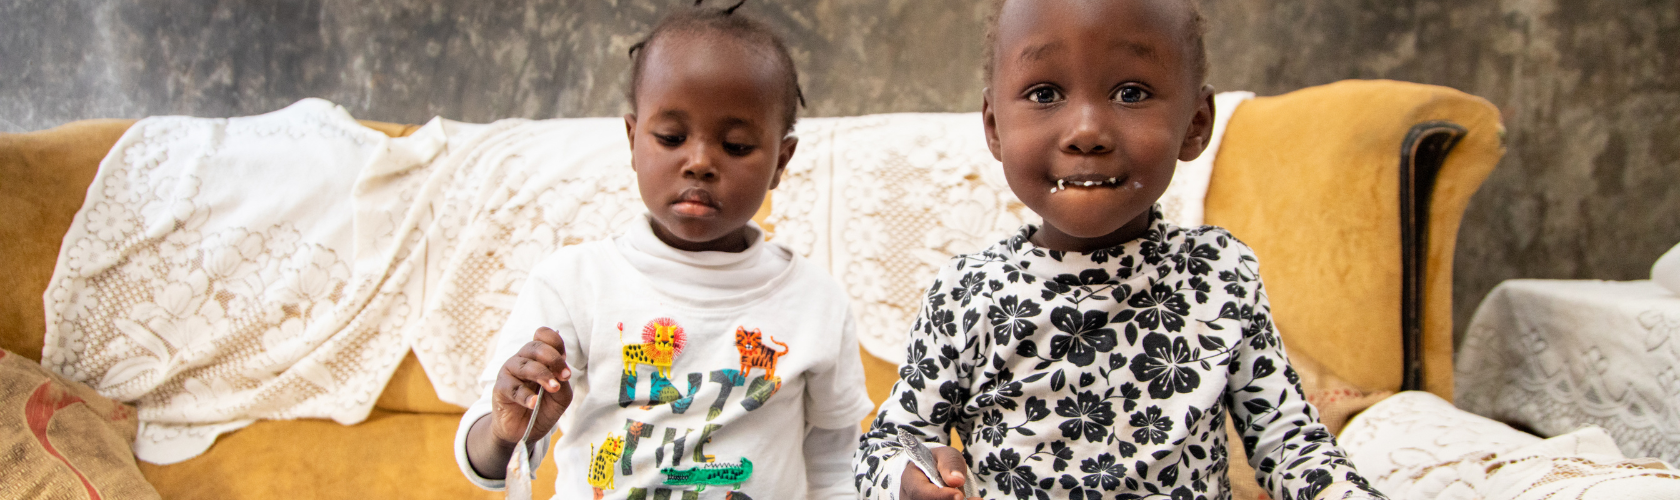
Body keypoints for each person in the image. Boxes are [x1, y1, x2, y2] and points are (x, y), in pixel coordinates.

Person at [852, 1, 1389, 499]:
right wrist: (911, 475)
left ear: (1196, 124)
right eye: (1044, 94)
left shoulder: (1221, 274)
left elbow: (1287, 442)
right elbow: (888, 444)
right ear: (994, 127)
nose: (1087, 131)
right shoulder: (969, 292)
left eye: (1131, 92)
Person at [453, 3, 875, 499]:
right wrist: (506, 431)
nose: (699, 161)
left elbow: (836, 471)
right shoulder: (575, 283)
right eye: (672, 137)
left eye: (736, 145)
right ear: (633, 141)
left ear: (781, 161)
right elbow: (488, 461)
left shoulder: (815, 302)